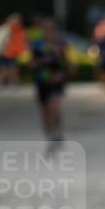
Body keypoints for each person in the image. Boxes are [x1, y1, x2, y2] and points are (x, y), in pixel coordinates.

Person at [31, 18, 67, 150]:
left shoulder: (60, 43)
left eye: (50, 28)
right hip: (42, 81)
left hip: (56, 82)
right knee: (45, 111)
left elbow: (67, 62)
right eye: (45, 28)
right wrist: (42, 62)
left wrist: (62, 73)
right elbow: (32, 63)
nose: (48, 31)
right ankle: (50, 134)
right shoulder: (37, 45)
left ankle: (57, 133)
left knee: (55, 107)